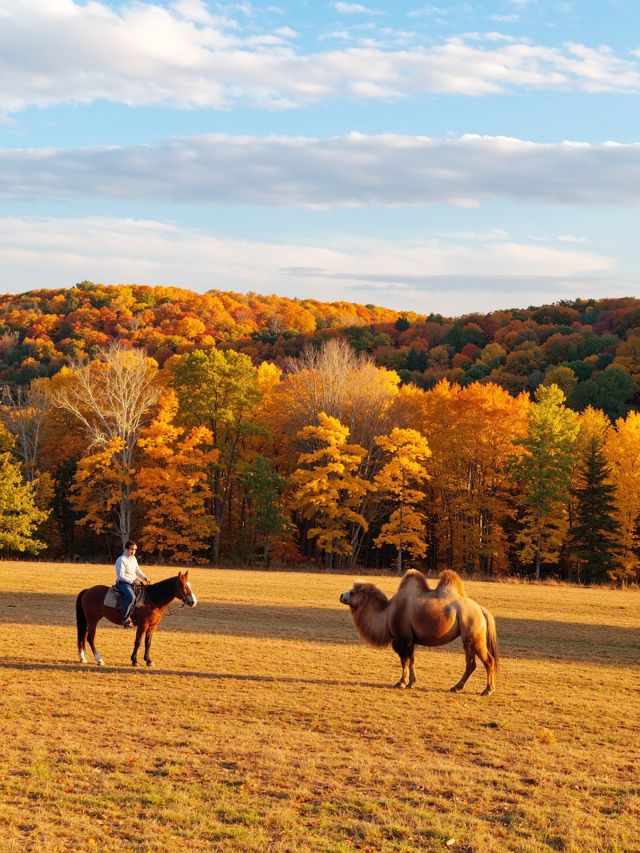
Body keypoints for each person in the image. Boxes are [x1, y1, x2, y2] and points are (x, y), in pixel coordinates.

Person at [115, 540, 149, 627]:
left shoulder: (133, 558)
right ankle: (124, 618)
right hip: (123, 583)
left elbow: (137, 570)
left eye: (135, 549)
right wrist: (132, 581)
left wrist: (144, 577)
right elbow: (120, 575)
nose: (134, 551)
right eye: (132, 549)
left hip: (134, 582)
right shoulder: (121, 559)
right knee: (131, 597)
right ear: (126, 549)